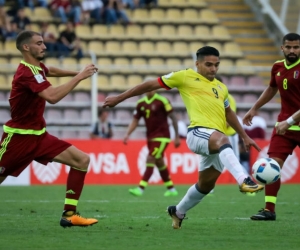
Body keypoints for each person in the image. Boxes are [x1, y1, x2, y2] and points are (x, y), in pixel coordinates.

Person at [103, 46, 264, 229]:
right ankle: (244, 180)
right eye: (209, 64)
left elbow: (228, 113)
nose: (213, 69)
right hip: (198, 133)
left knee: (205, 185)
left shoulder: (221, 88)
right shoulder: (185, 76)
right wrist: (119, 98)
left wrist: (244, 136)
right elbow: (149, 85)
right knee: (223, 140)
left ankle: (178, 211)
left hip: (214, 141)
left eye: (216, 65)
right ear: (197, 64)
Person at [0, 30, 98, 227]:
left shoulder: (37, 68)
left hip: (39, 136)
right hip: (18, 139)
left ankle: (69, 215)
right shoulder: (27, 72)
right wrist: (79, 77)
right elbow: (52, 97)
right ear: (26, 47)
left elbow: (50, 70)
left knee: (81, 160)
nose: (44, 46)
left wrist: (76, 72)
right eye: (39, 43)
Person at [243, 32, 300, 221]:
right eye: (289, 47)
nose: (292, 50)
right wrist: (254, 108)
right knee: (272, 166)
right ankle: (269, 210)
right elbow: (271, 88)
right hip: (284, 128)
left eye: (296, 47)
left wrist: (290, 121)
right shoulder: (277, 66)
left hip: (288, 123)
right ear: (282, 48)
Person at [125, 90, 181, 197]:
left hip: (162, 136)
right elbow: (135, 120)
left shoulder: (162, 101)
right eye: (147, 88)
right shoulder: (141, 103)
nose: (149, 90)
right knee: (159, 161)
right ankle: (171, 189)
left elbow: (173, 117)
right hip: (150, 137)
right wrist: (127, 134)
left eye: (151, 88)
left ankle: (140, 189)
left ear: (155, 89)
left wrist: (177, 136)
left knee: (150, 158)